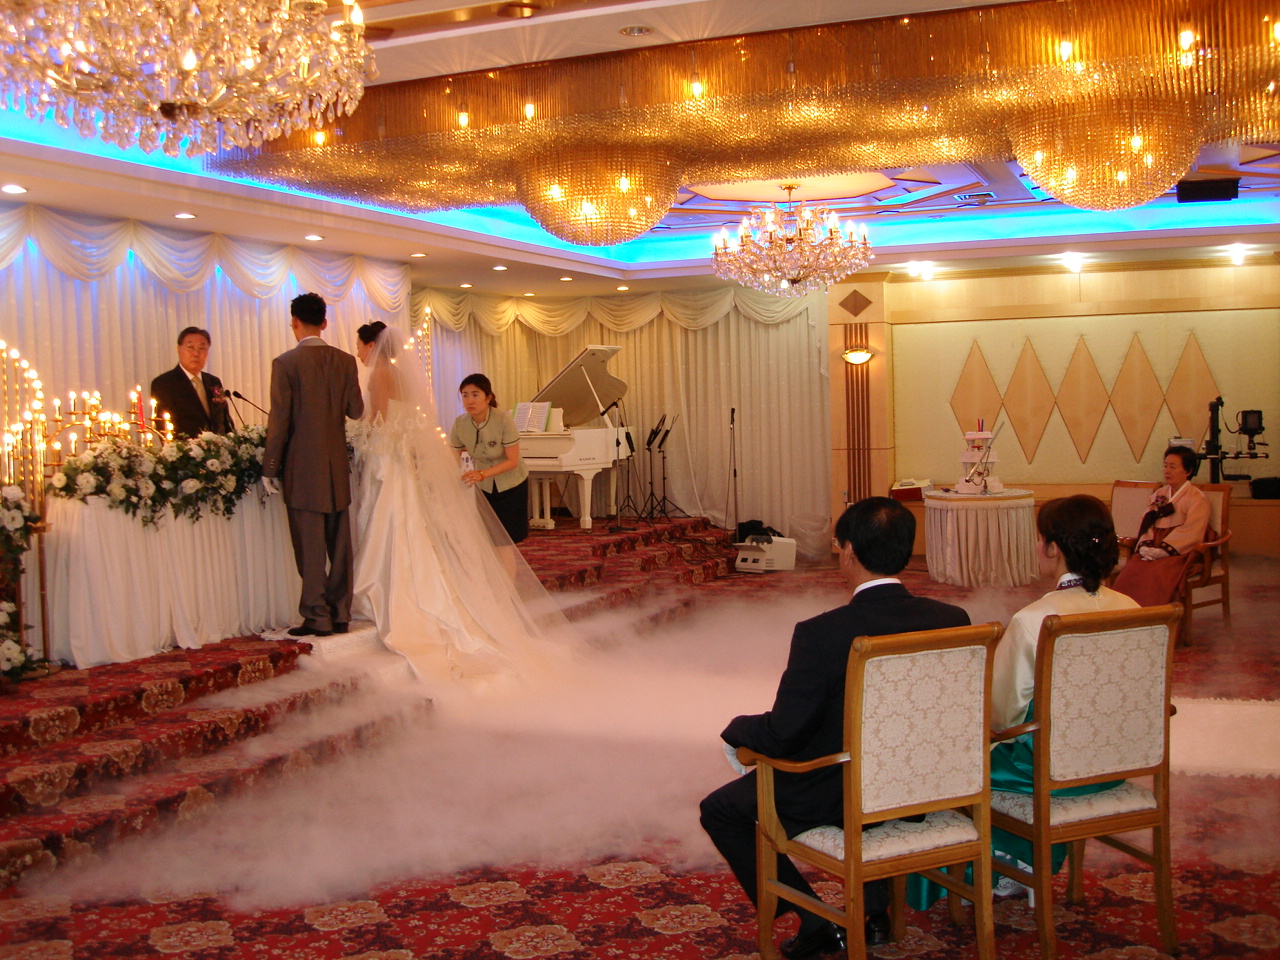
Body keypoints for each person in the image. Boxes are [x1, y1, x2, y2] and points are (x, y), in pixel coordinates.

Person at [700, 497, 970, 958]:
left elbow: (784, 734)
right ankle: (875, 912)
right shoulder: (952, 620)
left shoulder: (822, 633)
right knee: (874, 760)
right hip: (926, 781)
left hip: (842, 786)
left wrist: (737, 730)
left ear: (848, 552)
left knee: (721, 810)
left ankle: (814, 920)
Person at [349, 323, 566, 685]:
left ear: (371, 345)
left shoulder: (380, 374)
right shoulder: (406, 378)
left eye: (359, 345)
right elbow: (425, 432)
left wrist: (355, 433)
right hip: (410, 461)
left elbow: (379, 420)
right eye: (464, 395)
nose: (358, 352)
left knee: (396, 522)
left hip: (397, 461)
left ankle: (401, 593)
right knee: (410, 524)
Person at [261, 293, 364, 638]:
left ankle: (317, 617)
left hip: (302, 467)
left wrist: (269, 467)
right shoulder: (346, 361)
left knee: (309, 546)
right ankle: (341, 613)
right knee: (340, 545)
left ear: (294, 322)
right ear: (324, 322)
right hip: (335, 466)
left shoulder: (286, 363)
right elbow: (356, 411)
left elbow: (279, 421)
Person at [449, 374, 530, 578]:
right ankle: (494, 585)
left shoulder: (503, 419)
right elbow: (452, 457)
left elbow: (512, 461)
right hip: (484, 487)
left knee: (503, 542)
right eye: (465, 395)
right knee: (487, 539)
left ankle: (507, 590)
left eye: (475, 394)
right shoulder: (460, 423)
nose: (470, 400)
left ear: (488, 397)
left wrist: (481, 473)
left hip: (511, 484)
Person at [1112, 445, 1210, 606]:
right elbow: (1148, 522)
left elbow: (1193, 531)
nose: (1167, 471)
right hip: (1154, 543)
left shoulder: (1196, 498)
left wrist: (1165, 550)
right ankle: (1125, 612)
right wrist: (1146, 545)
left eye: (1173, 467)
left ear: (1188, 471)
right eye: (1165, 466)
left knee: (1156, 573)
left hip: (1180, 552)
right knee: (1132, 569)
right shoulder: (1160, 494)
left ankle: (1155, 615)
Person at [149, 326, 232, 438]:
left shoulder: (213, 381)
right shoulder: (164, 383)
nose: (196, 353)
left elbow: (226, 421)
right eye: (190, 347)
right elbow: (163, 426)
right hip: (186, 447)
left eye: (202, 348)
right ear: (179, 349)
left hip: (220, 447)